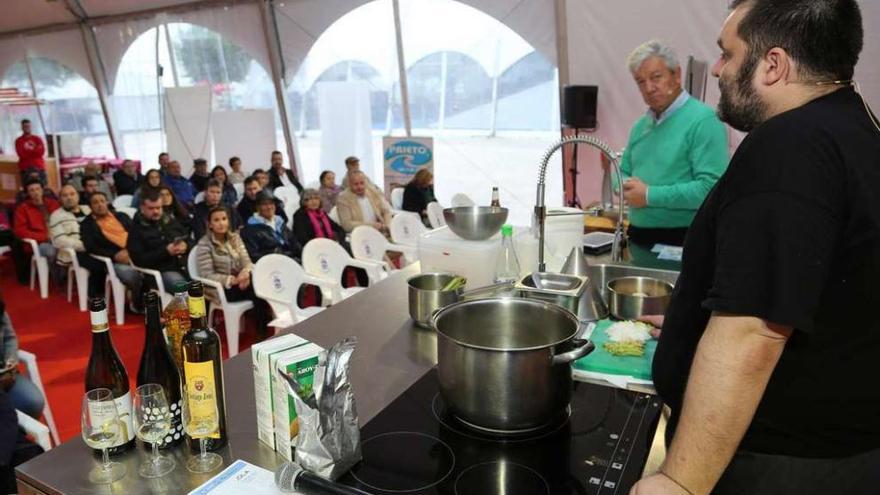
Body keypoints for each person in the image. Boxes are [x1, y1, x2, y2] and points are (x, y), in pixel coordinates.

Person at [632, 2, 880, 494]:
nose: (719, 69)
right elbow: (810, 284)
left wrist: (681, 481)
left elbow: (753, 333)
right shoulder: (854, 125)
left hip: (781, 464)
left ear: (773, 64)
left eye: (727, 54)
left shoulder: (788, 145)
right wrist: (690, 321)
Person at [617, 40, 729, 251]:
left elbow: (711, 189)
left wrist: (649, 195)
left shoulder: (704, 121)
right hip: (639, 238)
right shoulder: (641, 126)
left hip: (684, 240)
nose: (649, 88)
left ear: (676, 75)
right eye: (640, 81)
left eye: (656, 77)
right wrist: (624, 186)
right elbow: (621, 170)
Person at [196, 206, 270, 339]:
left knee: (260, 285)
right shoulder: (204, 244)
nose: (221, 223)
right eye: (216, 220)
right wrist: (232, 280)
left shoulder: (234, 238)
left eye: (224, 219)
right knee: (258, 289)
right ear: (210, 224)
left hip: (242, 282)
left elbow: (247, 261)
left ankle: (264, 329)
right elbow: (206, 274)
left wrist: (246, 273)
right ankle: (263, 331)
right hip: (220, 289)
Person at [82, 192, 145, 313]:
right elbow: (91, 247)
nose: (100, 205)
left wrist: (130, 250)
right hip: (113, 260)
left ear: (107, 202)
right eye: (95, 202)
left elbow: (137, 234)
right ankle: (137, 304)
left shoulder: (121, 216)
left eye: (102, 201)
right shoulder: (87, 224)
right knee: (131, 275)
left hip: (134, 253)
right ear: (90, 207)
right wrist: (114, 256)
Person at [49, 185, 105, 297]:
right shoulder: (56, 215)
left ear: (78, 196)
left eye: (72, 194)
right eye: (65, 195)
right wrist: (85, 245)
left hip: (96, 246)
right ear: (60, 199)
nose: (69, 198)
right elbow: (59, 240)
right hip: (76, 252)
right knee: (100, 263)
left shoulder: (88, 209)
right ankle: (94, 295)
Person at [127, 189, 190, 289]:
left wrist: (186, 246)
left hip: (184, 264)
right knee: (184, 289)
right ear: (142, 208)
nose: (155, 211)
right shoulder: (136, 229)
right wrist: (166, 252)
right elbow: (138, 260)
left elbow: (189, 239)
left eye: (158, 208)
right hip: (159, 271)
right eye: (151, 208)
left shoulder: (169, 220)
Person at [0, 294, 46, 420]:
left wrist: (10, 363)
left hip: (4, 376)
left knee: (33, 402)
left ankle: (17, 435)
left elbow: (9, 338)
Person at [13, 179, 59, 270]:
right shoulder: (22, 208)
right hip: (39, 243)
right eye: (32, 190)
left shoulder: (53, 203)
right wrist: (44, 236)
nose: (36, 192)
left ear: (42, 190)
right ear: (28, 193)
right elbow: (20, 231)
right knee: (52, 251)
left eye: (38, 189)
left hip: (58, 238)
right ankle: (58, 277)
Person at [241, 191, 300, 262]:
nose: (269, 207)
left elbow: (294, 243)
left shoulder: (280, 222)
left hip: (291, 260)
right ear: (257, 207)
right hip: (272, 265)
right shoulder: (250, 229)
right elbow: (254, 255)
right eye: (264, 204)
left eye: (271, 203)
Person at [14, 119, 46, 186]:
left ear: (31, 127)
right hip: (25, 168)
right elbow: (21, 154)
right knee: (27, 189)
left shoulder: (37, 139)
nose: (27, 128)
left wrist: (28, 152)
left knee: (43, 187)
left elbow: (41, 152)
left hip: (39, 167)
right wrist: (35, 151)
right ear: (22, 128)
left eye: (28, 126)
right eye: (25, 126)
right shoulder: (18, 140)